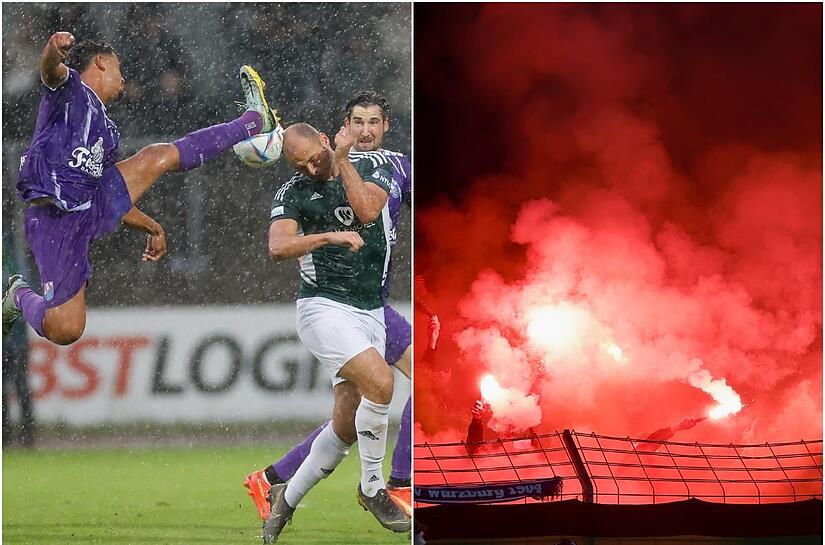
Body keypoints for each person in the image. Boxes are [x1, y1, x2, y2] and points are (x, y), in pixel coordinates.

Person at [1, 32, 279, 345]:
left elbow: (109, 194)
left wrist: (150, 225)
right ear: (102, 63)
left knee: (156, 156)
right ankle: (17, 294)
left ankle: (254, 120)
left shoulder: (107, 131)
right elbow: (50, 71)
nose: (123, 77)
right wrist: (52, 50)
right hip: (54, 218)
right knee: (65, 329)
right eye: (119, 67)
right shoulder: (71, 89)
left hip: (88, 206)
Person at [243, 91, 413, 520]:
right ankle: (396, 484)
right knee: (407, 382)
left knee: (347, 419)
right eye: (357, 122)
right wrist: (328, 236)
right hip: (330, 306)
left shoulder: (390, 165)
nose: (365, 130)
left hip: (374, 302)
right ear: (344, 126)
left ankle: (277, 483)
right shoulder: (300, 188)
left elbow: (378, 210)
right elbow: (280, 244)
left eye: (373, 122)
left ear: (385, 125)